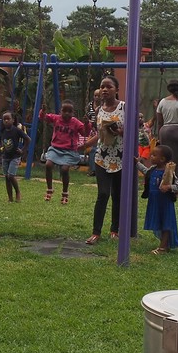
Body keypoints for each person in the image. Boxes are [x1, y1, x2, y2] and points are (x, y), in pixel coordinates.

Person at [80, 76, 125, 245]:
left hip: (121, 157)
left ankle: (115, 230)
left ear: (116, 89)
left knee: (117, 195)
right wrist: (85, 145)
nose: (105, 90)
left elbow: (136, 133)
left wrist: (119, 132)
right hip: (102, 157)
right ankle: (95, 233)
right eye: (102, 87)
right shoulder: (99, 110)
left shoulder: (124, 107)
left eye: (109, 87)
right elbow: (99, 134)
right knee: (103, 193)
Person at [39, 100, 87, 205]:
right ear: (61, 111)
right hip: (55, 148)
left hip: (69, 151)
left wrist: (87, 124)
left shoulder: (75, 122)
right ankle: (49, 189)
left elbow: (85, 132)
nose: (66, 113)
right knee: (48, 164)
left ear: (73, 112)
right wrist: (43, 111)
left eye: (69, 111)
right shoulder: (56, 118)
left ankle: (65, 192)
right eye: (64, 111)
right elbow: (44, 117)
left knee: (65, 169)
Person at [152, 78, 178, 189]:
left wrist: (159, 136)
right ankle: (175, 188)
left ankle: (162, 183)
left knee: (165, 159)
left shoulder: (162, 102)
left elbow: (160, 121)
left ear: (169, 89)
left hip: (165, 131)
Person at [142, 145, 178, 254]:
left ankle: (162, 248)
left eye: (154, 155)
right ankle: (164, 244)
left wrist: (168, 187)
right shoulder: (152, 169)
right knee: (159, 222)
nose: (151, 156)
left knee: (166, 223)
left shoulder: (169, 172)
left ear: (162, 159)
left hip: (165, 202)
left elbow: (177, 185)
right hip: (154, 201)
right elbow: (145, 171)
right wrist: (136, 163)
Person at [0, 111, 30, 202]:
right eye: (4, 119)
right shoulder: (2, 130)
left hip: (15, 156)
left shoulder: (17, 130)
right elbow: (0, 140)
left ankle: (18, 192)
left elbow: (28, 139)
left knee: (11, 176)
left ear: (13, 120)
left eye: (8, 119)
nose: (6, 121)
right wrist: (0, 147)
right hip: (5, 157)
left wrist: (23, 150)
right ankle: (10, 197)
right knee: (6, 177)